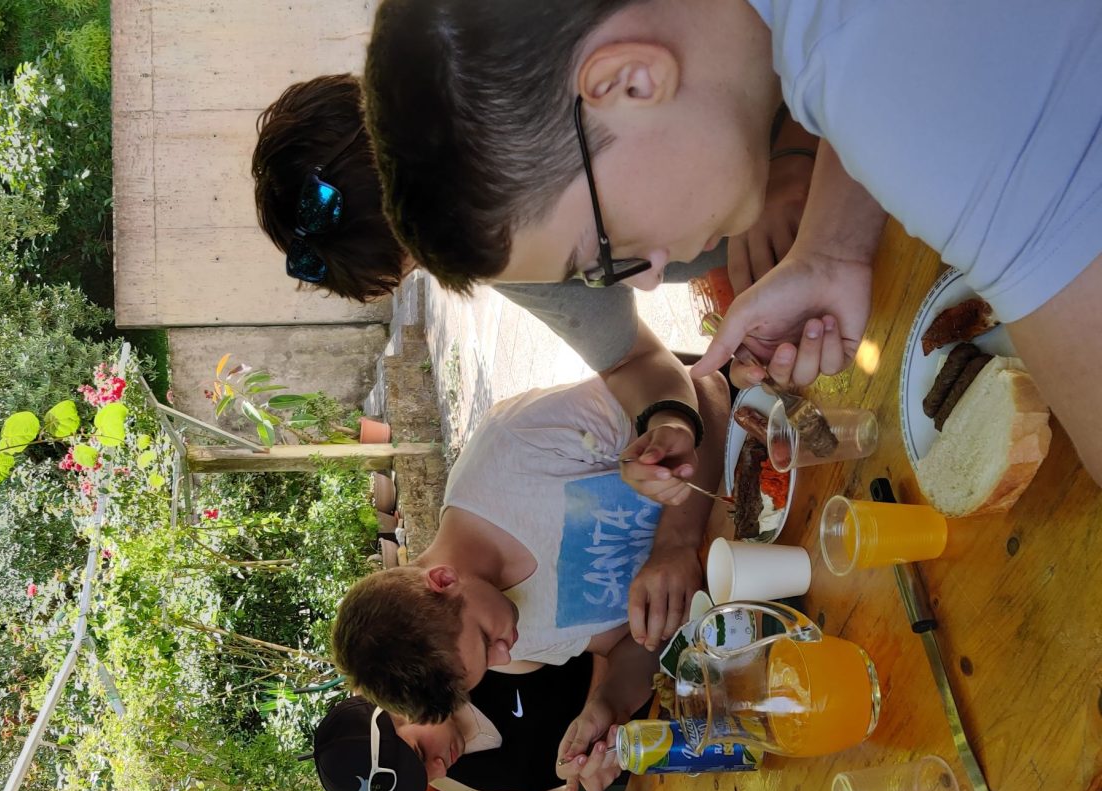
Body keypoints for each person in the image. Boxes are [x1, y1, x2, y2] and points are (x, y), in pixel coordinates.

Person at [362, 0, 1102, 485]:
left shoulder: (877, 69)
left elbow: (896, 86)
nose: (646, 278)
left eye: (602, 254)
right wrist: (830, 248)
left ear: (629, 81)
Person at [252, 74, 820, 505]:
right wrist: (668, 421)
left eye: (440, 232)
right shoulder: (491, 252)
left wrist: (792, 160)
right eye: (425, 262)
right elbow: (631, 359)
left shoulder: (546, 50)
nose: (650, 271)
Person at [329, 367, 727, 791]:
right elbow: (631, 641)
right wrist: (607, 704)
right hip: (746, 612)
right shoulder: (505, 630)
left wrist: (677, 543)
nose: (507, 654)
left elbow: (705, 389)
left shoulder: (514, 448)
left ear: (441, 579)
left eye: (486, 641)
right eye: (489, 659)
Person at [312, 654, 620, 791]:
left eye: (419, 753)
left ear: (398, 703)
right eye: (420, 781)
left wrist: (600, 715)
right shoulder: (445, 776)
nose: (437, 770)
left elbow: (603, 637)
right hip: (635, 770)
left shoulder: (469, 655)